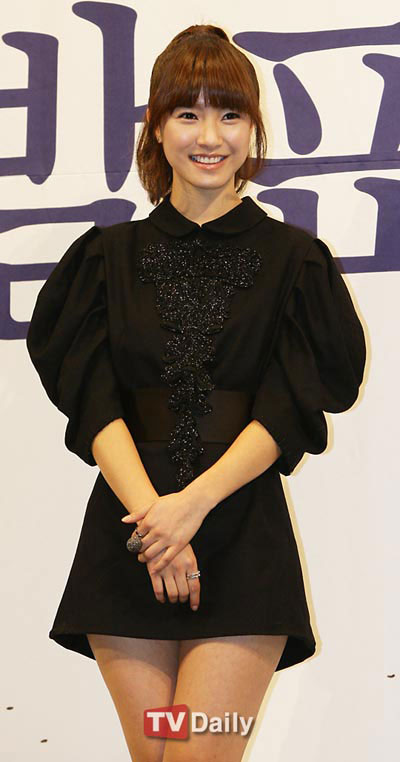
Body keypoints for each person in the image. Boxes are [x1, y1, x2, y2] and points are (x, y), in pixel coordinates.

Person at [26, 23, 367, 762]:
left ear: (253, 128)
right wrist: (156, 523)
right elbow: (93, 399)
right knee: (156, 757)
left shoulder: (295, 261)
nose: (210, 136)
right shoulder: (105, 258)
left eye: (229, 114)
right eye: (188, 113)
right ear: (156, 127)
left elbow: (291, 400)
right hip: (131, 536)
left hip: (241, 536)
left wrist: (191, 507)